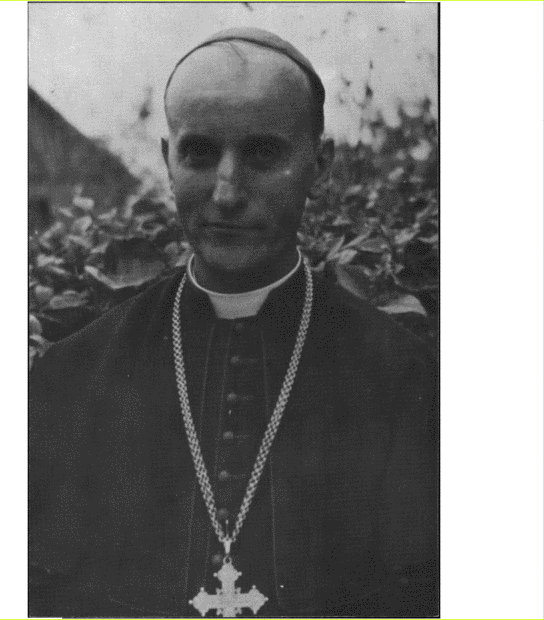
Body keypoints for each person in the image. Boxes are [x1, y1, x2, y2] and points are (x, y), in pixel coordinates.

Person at [29, 28, 438, 618]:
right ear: (168, 160)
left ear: (319, 164)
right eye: (199, 153)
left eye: (263, 154)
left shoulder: (403, 378)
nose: (226, 192)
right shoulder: (70, 378)